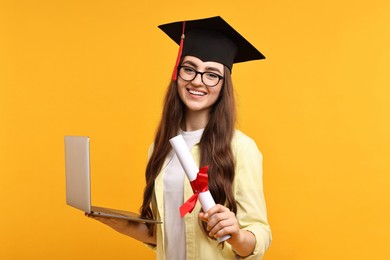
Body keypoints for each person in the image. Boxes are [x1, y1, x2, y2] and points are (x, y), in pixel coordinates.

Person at [87, 16, 272, 259]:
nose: (197, 81)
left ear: (223, 84)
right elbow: (165, 233)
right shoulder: (160, 148)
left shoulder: (239, 148)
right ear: (178, 73)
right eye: (190, 69)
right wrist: (119, 223)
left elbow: (260, 234)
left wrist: (236, 234)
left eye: (211, 74)